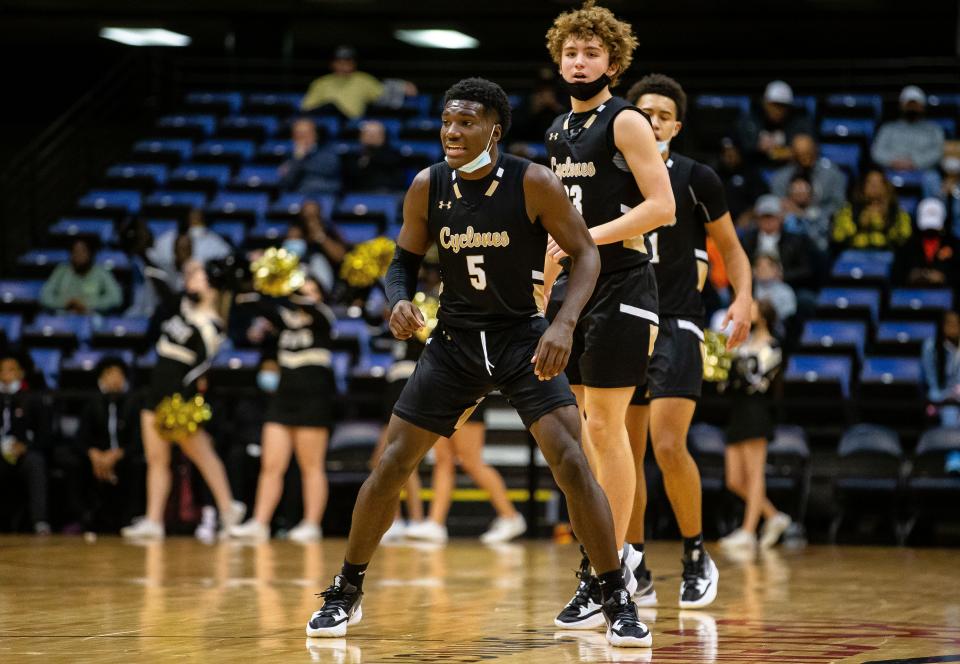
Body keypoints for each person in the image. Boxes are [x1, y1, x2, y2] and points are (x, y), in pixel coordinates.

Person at [306, 76, 652, 648]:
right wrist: (397, 301)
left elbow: (587, 253)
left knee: (572, 461)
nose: (451, 132)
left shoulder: (532, 181)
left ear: (494, 128)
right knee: (390, 464)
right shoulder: (427, 185)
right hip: (456, 342)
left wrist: (564, 323)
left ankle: (615, 594)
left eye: (465, 122)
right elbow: (402, 262)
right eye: (446, 121)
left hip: (522, 337)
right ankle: (346, 589)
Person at [541, 2, 678, 626]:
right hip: (577, 288)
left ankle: (611, 570)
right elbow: (556, 221)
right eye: (571, 52)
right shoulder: (556, 132)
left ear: (613, 62)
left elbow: (662, 207)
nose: (579, 61)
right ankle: (599, 566)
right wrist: (545, 277)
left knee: (604, 428)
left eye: (591, 52)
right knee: (583, 435)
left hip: (625, 281)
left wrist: (588, 238)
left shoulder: (625, 122)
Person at [622, 73, 752, 608]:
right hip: (624, 319)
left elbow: (733, 249)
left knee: (668, 443)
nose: (651, 120)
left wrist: (744, 298)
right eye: (642, 112)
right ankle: (634, 559)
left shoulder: (697, 177)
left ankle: (696, 552)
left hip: (677, 319)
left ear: (675, 125)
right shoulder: (611, 175)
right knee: (622, 453)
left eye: (661, 114)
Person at [121, 260, 245, 539]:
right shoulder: (182, 306)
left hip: (178, 402)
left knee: (203, 457)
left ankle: (229, 511)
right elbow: (159, 281)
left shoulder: (211, 325)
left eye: (198, 275)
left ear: (212, 286)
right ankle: (154, 520)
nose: (191, 278)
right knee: (156, 459)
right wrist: (141, 254)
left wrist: (181, 403)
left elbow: (199, 369)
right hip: (155, 392)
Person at [228, 277, 337, 543]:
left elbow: (308, 307)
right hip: (283, 401)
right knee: (271, 465)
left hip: (314, 401)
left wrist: (296, 295)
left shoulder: (323, 318)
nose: (306, 296)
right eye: (303, 290)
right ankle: (260, 522)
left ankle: (312, 524)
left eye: (313, 291)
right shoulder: (285, 321)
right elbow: (259, 306)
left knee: (311, 466)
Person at [718, 300, 791, 552]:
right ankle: (773, 516)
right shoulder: (744, 344)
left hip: (756, 412)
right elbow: (725, 379)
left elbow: (754, 379)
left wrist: (731, 363)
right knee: (734, 479)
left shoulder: (772, 346)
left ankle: (748, 531)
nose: (747, 309)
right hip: (737, 411)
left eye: (753, 307)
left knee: (754, 474)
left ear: (764, 315)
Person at [404, 414, 527, 544]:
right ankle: (436, 523)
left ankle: (511, 517)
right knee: (443, 460)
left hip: (466, 399)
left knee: (471, 461)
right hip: (439, 399)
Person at [76, 356, 143, 532]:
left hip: (124, 457)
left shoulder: (134, 403)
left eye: (118, 375)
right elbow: (81, 438)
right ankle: (83, 518)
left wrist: (117, 454)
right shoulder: (92, 404)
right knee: (75, 463)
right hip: (98, 459)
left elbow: (139, 441)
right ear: (101, 379)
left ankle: (132, 518)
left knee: (137, 464)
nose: (114, 379)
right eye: (109, 375)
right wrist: (94, 454)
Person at [0, 353, 50, 535]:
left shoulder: (32, 399)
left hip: (25, 453)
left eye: (11, 370)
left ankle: (40, 521)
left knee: (36, 462)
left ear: (21, 374)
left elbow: (45, 435)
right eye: (2, 371)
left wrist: (25, 446)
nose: (6, 375)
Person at [871, 86, 945, 192]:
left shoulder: (934, 130)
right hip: (891, 169)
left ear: (922, 106)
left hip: (923, 171)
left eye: (915, 105)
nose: (912, 108)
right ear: (901, 106)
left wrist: (914, 162)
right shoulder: (888, 128)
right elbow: (876, 151)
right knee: (874, 178)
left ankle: (932, 208)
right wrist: (893, 161)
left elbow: (938, 152)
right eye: (909, 105)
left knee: (933, 178)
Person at [740, 194, 817, 292]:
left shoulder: (795, 240)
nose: (768, 221)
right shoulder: (747, 239)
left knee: (805, 299)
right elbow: (740, 265)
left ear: (780, 218)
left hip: (788, 285)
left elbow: (806, 269)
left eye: (771, 217)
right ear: (757, 219)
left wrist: (782, 275)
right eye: (764, 217)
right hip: (754, 286)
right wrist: (752, 273)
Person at [770, 133, 848, 226]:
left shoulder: (832, 175)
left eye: (808, 154)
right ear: (792, 154)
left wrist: (810, 214)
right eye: (799, 155)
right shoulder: (780, 177)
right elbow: (776, 205)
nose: (805, 159)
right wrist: (793, 212)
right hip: (789, 228)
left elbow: (838, 204)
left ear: (816, 150)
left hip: (824, 227)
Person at [735, 80, 814, 167]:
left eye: (783, 105)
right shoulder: (752, 119)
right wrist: (757, 146)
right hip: (754, 169)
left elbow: (807, 149)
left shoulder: (798, 122)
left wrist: (777, 152)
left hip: (789, 171)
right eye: (775, 104)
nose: (778, 110)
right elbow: (740, 146)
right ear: (765, 103)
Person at [831, 168, 912, 251]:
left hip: (886, 254)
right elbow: (838, 236)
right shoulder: (849, 210)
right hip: (854, 255)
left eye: (879, 183)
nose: (874, 187)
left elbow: (904, 237)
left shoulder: (897, 211)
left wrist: (885, 221)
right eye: (870, 182)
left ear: (886, 187)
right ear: (862, 187)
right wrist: (857, 223)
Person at [39, 238, 123, 313]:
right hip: (64, 317)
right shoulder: (62, 271)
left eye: (83, 251)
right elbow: (44, 296)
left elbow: (116, 297)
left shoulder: (100, 272)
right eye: (75, 252)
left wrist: (87, 304)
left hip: (91, 316)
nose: (79, 255)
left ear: (90, 254)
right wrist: (65, 302)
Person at [301, 46, 385, 120]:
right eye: (339, 62)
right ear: (332, 64)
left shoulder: (365, 80)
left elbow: (384, 99)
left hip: (353, 125)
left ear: (354, 64)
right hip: (326, 123)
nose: (343, 66)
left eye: (347, 63)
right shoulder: (320, 82)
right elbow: (307, 107)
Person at [893, 197, 959, 288]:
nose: (930, 230)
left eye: (934, 226)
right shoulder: (907, 246)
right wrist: (912, 276)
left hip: (947, 295)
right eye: (927, 227)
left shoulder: (954, 245)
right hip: (912, 294)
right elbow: (897, 276)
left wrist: (944, 277)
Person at [148, 209, 232, 279]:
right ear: (174, 249)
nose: (183, 251)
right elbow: (151, 259)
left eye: (187, 248)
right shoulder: (167, 239)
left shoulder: (215, 242)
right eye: (180, 248)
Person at [278, 118, 342, 195]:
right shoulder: (290, 156)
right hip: (299, 197)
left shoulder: (327, 150)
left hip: (325, 195)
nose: (302, 137)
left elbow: (328, 169)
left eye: (306, 133)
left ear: (315, 135)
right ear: (293, 137)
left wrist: (299, 164)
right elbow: (286, 181)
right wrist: (298, 158)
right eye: (298, 134)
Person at [921, 310, 960, 427]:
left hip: (957, 396)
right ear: (941, 325)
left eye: (956, 323)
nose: (953, 326)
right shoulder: (930, 347)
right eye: (949, 323)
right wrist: (944, 398)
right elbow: (931, 380)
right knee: (950, 413)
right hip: (940, 397)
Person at [342, 120, 405, 192]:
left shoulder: (394, 156)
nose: (371, 137)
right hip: (359, 194)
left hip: (387, 194)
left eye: (375, 134)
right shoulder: (352, 156)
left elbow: (398, 180)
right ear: (360, 136)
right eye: (368, 134)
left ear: (383, 137)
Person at [781, 174, 833, 253]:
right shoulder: (783, 214)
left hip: (814, 254)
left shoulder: (821, 213)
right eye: (795, 190)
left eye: (803, 190)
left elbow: (818, 239)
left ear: (811, 194)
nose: (799, 194)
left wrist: (798, 212)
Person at [752, 254, 797, 324]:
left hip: (779, 328)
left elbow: (790, 314)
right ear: (754, 270)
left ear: (775, 269)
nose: (762, 270)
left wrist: (770, 311)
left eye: (766, 267)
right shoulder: (750, 289)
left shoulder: (786, 290)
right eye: (759, 267)